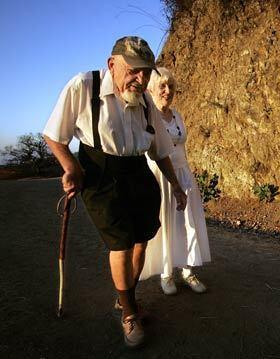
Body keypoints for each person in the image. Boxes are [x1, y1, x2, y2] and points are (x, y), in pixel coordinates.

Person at [43, 36, 187, 348]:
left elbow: (160, 151)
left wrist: (176, 185)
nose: (141, 79)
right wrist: (70, 166)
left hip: (138, 173)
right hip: (100, 174)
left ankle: (125, 300)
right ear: (112, 64)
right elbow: (55, 135)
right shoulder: (84, 86)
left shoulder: (146, 102)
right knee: (120, 244)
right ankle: (129, 314)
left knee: (140, 242)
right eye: (134, 71)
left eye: (146, 72)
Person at [140, 68, 211, 295]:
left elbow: (182, 147)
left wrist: (187, 176)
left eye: (170, 86)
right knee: (166, 224)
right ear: (150, 88)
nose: (167, 91)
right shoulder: (147, 116)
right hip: (159, 176)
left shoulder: (177, 115)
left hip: (183, 174)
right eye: (162, 85)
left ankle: (188, 270)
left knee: (187, 222)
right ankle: (166, 273)